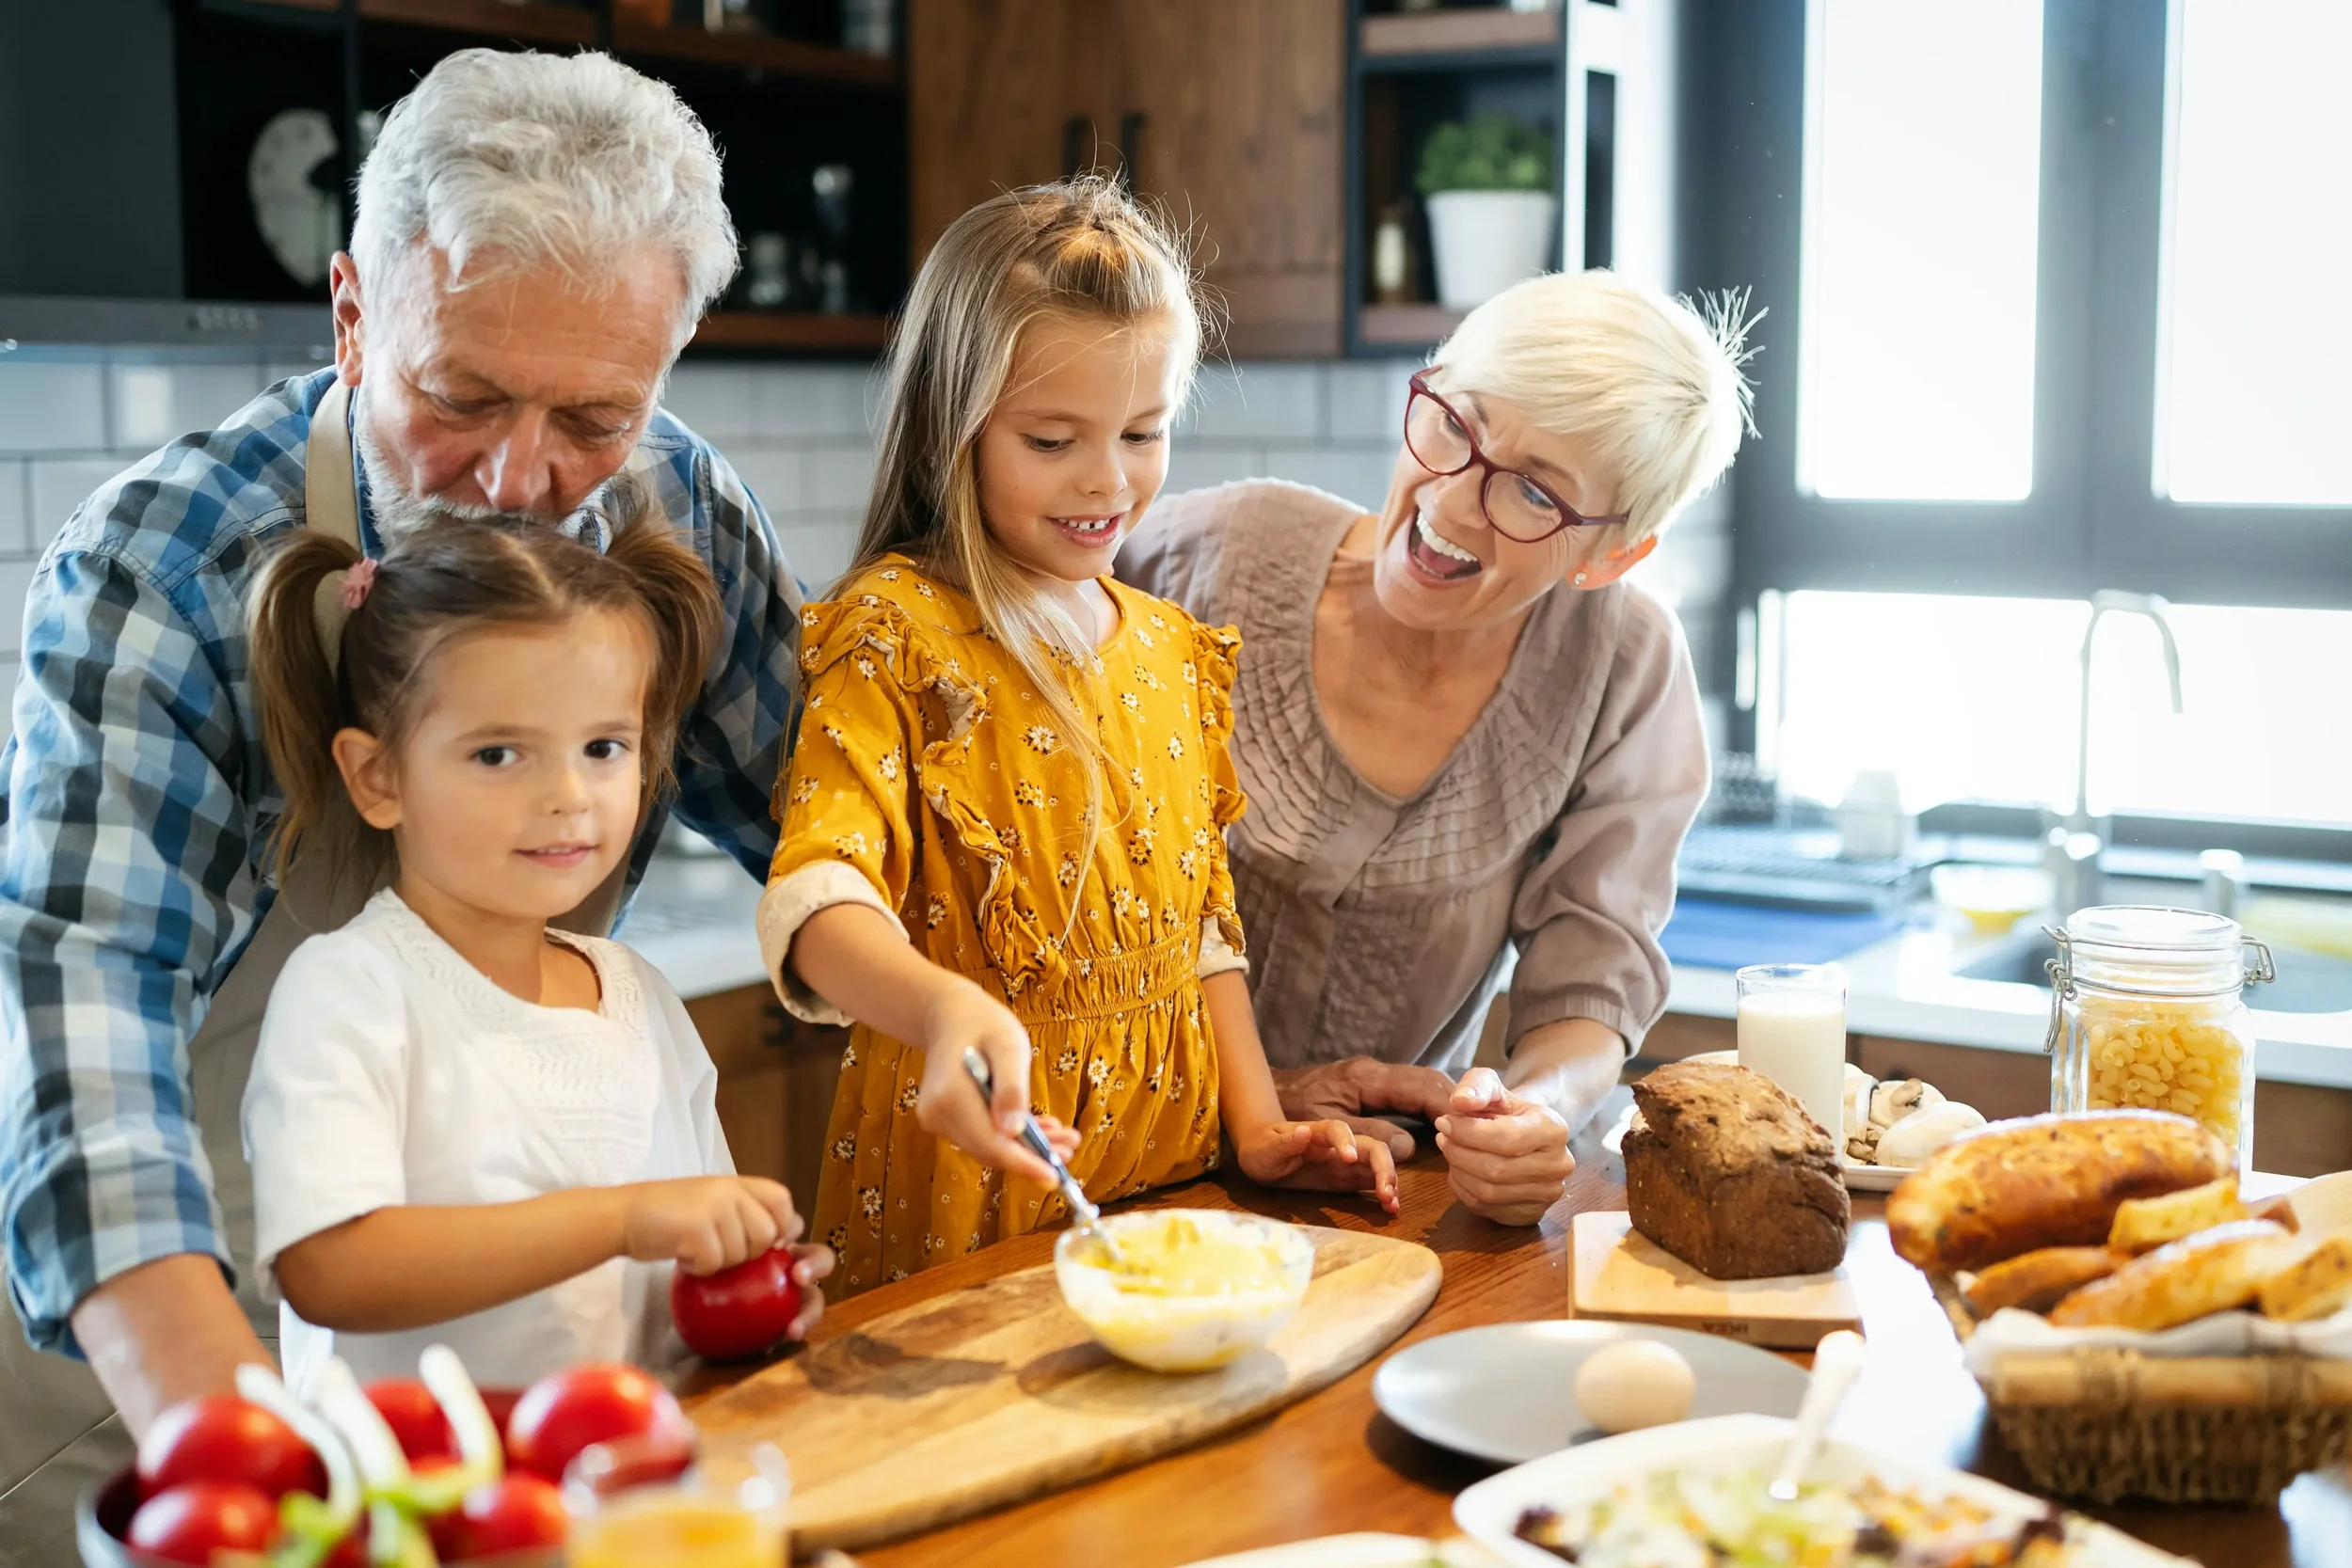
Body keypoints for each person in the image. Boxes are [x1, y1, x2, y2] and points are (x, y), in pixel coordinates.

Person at [0, 48, 801, 1555]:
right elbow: (85, 1009)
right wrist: (243, 1471)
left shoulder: (676, 503)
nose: (520, 477)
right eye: (464, 394)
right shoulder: (167, 565)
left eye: (595, 417)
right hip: (155, 1332)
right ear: (355, 318)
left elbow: (828, 833)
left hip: (526, 1419)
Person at [757, 180, 1397, 1296]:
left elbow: (1203, 926)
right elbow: (815, 896)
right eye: (1053, 439)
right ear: (952, 424)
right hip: (969, 1195)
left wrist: (1255, 1124)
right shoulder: (895, 630)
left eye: (1143, 433)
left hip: (1173, 1188)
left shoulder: (1169, 647)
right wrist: (939, 1004)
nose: (1108, 480)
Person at [1120, 271, 1753, 1226]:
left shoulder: (1621, 662)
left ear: (1610, 554)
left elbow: (1590, 971)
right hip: (1116, 1173)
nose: (1454, 505)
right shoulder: (1202, 556)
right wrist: (1251, 1094)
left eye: (1535, 491)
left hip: (1383, 1208)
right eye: (1455, 425)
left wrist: (1535, 1112)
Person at [240, 511, 830, 1389]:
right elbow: (327, 1267)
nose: (567, 795)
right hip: (447, 1506)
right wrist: (627, 1218)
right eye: (498, 753)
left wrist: (746, 1284)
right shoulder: (349, 992)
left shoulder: (638, 994)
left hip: (642, 1491)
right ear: (378, 777)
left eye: (603, 747)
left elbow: (671, 1268)